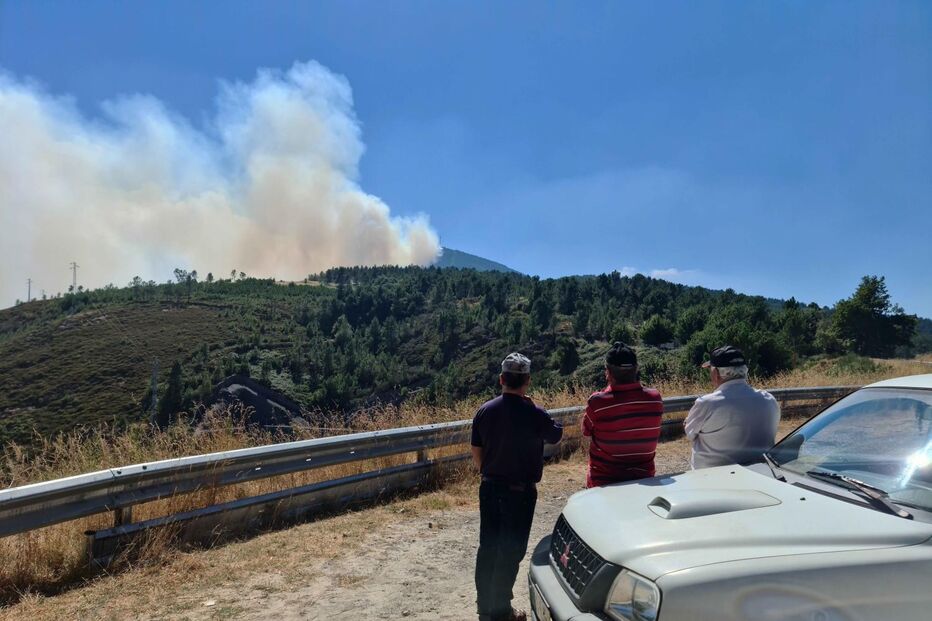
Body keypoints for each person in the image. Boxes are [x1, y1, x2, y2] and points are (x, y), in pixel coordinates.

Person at [471, 352, 563, 621]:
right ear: (527, 381)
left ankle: (485, 606)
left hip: (489, 487)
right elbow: (556, 436)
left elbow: (477, 450)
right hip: (520, 493)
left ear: (501, 379)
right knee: (510, 551)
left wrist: (488, 472)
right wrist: (535, 409)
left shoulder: (485, 411)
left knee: (488, 547)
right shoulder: (535, 414)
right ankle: (501, 612)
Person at [581, 342, 664, 487]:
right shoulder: (655, 398)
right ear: (636, 369)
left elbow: (586, 431)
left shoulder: (597, 402)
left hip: (605, 481)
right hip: (644, 476)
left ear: (607, 372)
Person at [684, 345, 781, 469]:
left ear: (715, 373)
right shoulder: (769, 399)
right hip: (760, 474)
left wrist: (686, 423)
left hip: (712, 478)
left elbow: (690, 433)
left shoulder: (707, 403)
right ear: (745, 371)